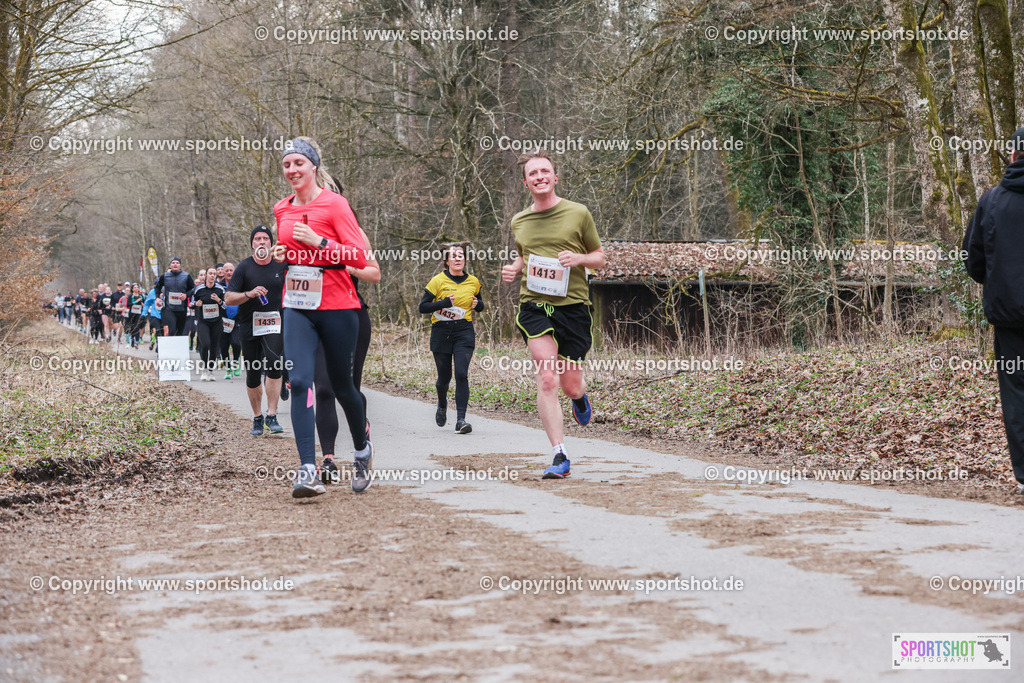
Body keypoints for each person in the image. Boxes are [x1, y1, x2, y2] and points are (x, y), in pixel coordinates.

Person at [271, 136, 370, 498]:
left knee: (343, 388)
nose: (292, 170)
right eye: (286, 165)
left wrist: (320, 242)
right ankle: (307, 469)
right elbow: (289, 253)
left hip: (339, 307)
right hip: (297, 304)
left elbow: (360, 257)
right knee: (299, 381)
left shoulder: (336, 205)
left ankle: (361, 449)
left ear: (313, 166)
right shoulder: (282, 208)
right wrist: (284, 253)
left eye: (299, 163)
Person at [500, 151, 604, 479]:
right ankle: (560, 454)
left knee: (570, 385)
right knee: (547, 377)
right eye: (533, 173)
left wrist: (579, 258)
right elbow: (525, 256)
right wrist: (515, 268)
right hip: (535, 305)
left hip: (572, 306)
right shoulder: (520, 221)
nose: (540, 176)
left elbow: (600, 258)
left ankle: (580, 397)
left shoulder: (578, 213)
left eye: (546, 170)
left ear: (555, 177)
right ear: (526, 182)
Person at [963, 126, 1024, 495]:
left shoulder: (991, 201)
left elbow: (973, 261)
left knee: (1016, 392)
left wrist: (998, 282)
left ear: (1013, 156)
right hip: (1007, 312)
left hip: (1009, 316)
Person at [315, 209, 379, 485]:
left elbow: (375, 274)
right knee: (324, 389)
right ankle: (327, 459)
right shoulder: (303, 230)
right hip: (313, 316)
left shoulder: (355, 233)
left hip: (350, 316)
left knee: (347, 390)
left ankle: (361, 442)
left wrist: (348, 267)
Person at [224, 225, 288, 436]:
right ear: (252, 243)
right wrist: (249, 294)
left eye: (266, 239)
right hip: (249, 325)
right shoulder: (244, 267)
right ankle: (257, 418)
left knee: (274, 366)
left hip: (274, 323)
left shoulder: (281, 265)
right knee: (252, 374)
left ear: (271, 243)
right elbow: (228, 298)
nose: (262, 242)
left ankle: (272, 415)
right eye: (258, 239)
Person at [419, 244, 483, 435]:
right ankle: (442, 403)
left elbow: (480, 305)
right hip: (441, 331)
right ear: (446, 261)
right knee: (444, 378)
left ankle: (461, 420)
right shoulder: (437, 281)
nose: (457, 259)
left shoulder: (473, 281)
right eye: (453, 256)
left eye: (461, 255)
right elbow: (423, 307)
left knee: (461, 373)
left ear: (464, 259)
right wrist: (443, 303)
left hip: (464, 331)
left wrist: (478, 304)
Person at [190, 267, 226, 381]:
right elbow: (191, 303)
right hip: (203, 321)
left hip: (217, 322)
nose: (212, 276)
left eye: (214, 274)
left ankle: (210, 371)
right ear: (206, 275)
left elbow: (226, 306)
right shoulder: (199, 289)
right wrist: (197, 304)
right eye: (210, 273)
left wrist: (218, 300)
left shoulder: (221, 289)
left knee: (214, 346)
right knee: (205, 344)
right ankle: (204, 369)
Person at [154, 258, 195, 336]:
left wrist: (186, 295)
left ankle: (177, 347)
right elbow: (157, 287)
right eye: (173, 263)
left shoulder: (186, 276)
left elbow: (193, 289)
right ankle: (170, 347)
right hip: (169, 308)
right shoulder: (165, 276)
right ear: (170, 265)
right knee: (172, 330)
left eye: (177, 263)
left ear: (180, 265)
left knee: (180, 331)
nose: (175, 264)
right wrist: (157, 298)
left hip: (182, 308)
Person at [219, 262, 242, 380]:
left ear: (234, 271)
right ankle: (228, 369)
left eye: (231, 270)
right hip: (222, 320)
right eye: (226, 270)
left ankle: (236, 361)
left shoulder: (239, 284)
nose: (228, 272)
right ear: (223, 272)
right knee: (223, 346)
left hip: (237, 318)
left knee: (236, 343)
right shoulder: (219, 286)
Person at [143, 284, 162, 350]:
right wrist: (143, 314)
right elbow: (147, 303)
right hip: (154, 315)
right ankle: (156, 343)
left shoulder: (168, 291)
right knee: (156, 330)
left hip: (165, 315)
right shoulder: (152, 292)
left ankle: (155, 342)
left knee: (163, 331)